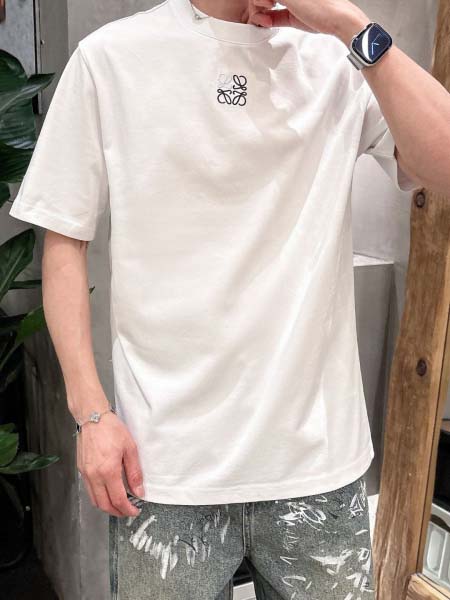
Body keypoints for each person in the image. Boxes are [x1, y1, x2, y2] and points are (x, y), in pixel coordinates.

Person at [8, 0, 450, 597]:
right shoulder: (111, 58)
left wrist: (350, 26)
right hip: (165, 469)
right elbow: (64, 240)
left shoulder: (336, 58)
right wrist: (90, 414)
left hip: (318, 469)